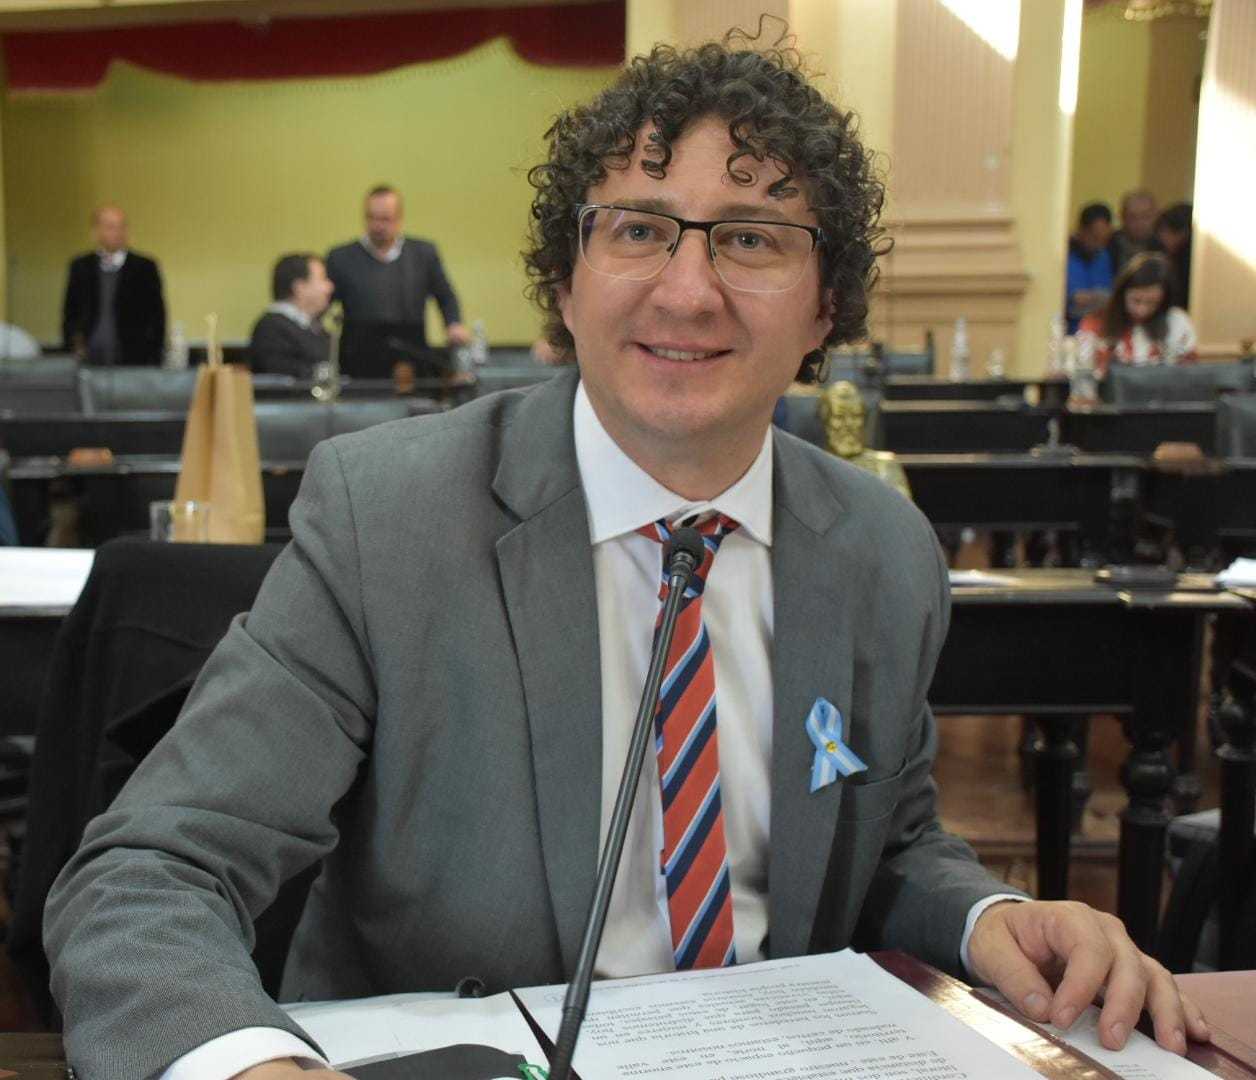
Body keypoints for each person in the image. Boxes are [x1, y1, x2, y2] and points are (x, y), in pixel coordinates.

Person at [45, 37, 1208, 1080]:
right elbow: (147, 877)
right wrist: (252, 1069)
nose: (686, 291)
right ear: (563, 281)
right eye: (639, 229)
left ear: (825, 310)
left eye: (748, 238)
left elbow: (885, 840)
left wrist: (986, 919)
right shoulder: (385, 517)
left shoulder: (881, 551)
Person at [324, 185, 470, 376]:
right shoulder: (341, 258)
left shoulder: (423, 254)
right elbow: (323, 303)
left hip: (412, 359)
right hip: (357, 362)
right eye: (371, 218)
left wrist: (453, 324)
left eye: (385, 219)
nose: (377, 226)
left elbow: (446, 296)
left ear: (399, 219)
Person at [61, 205, 166, 367]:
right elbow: (70, 312)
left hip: (134, 359)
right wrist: (73, 346)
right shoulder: (81, 267)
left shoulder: (145, 267)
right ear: (96, 232)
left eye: (122, 226)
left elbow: (157, 316)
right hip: (88, 359)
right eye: (110, 227)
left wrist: (153, 356)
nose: (118, 232)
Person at [1077, 252, 1198, 377]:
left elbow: (1187, 376)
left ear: (1163, 302)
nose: (1142, 310)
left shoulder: (1177, 322)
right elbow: (1085, 373)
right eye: (1136, 300)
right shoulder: (1096, 323)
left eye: (1152, 303)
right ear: (1122, 294)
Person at [817, 380, 912, 501]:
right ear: (825, 421)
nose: (849, 424)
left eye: (856, 416)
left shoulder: (884, 466)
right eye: (839, 416)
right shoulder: (812, 468)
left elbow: (902, 510)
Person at [248, 254, 334, 378]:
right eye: (323, 279)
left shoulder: (313, 327)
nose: (330, 287)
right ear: (299, 287)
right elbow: (284, 376)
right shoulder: (271, 329)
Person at [1065, 202, 1115, 333]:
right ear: (1082, 230)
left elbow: (1111, 299)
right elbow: (1076, 302)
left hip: (1100, 330)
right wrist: (1099, 298)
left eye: (1104, 238)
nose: (1099, 243)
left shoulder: (1103, 255)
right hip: (1071, 331)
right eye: (1095, 237)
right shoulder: (1066, 255)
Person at [1155, 202, 1193, 310]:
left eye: (1164, 232)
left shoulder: (1188, 261)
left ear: (1182, 233)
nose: (1161, 238)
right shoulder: (1171, 254)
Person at [1109, 189, 1158, 275]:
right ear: (1122, 218)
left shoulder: (1163, 246)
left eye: (1145, 216)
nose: (1139, 223)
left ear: (1155, 216)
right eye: (1132, 217)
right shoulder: (1109, 245)